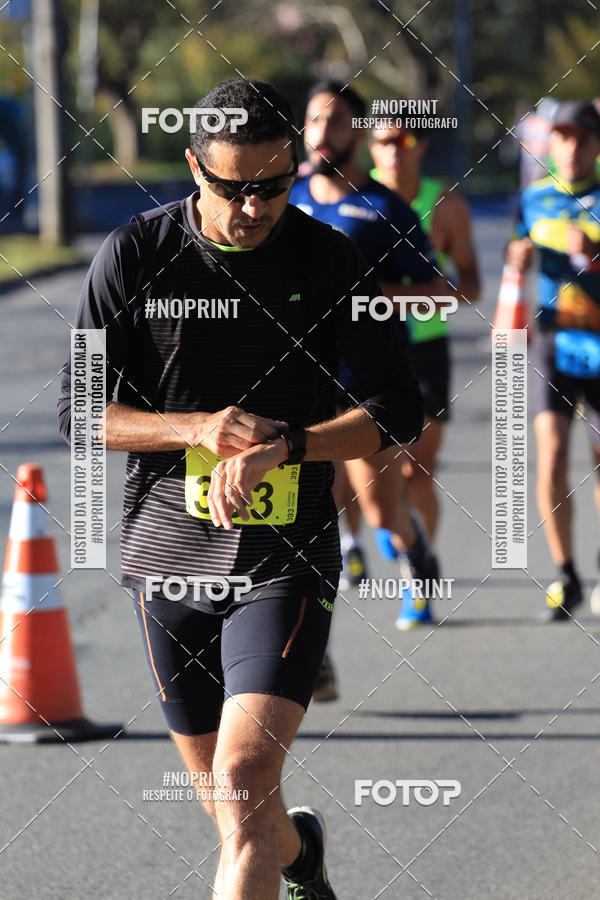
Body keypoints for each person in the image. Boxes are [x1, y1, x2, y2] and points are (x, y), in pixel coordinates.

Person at [58, 78, 423, 900]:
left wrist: (290, 446)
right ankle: (304, 858)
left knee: (245, 775)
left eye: (274, 183)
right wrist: (191, 427)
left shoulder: (331, 258)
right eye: (233, 188)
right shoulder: (137, 255)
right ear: (192, 166)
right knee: (236, 812)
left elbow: (398, 409)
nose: (255, 206)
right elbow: (79, 411)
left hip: (284, 560)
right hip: (169, 559)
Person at [290, 81, 444, 647]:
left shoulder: (386, 208)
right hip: (296, 385)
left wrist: (368, 290)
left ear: (356, 132)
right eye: (312, 120)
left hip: (365, 385)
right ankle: (308, 650)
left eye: (334, 121)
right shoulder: (282, 198)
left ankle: (416, 553)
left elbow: (441, 291)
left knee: (380, 512)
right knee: (305, 519)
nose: (321, 133)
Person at [505, 100, 600, 621]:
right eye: (562, 138)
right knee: (552, 458)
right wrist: (516, 256)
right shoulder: (535, 196)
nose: (570, 148)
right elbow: (517, 252)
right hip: (551, 341)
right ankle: (566, 574)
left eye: (582, 138)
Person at [368, 119, 480, 546]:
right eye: (384, 142)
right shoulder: (354, 197)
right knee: (373, 469)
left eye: (405, 141)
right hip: (369, 347)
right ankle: (381, 521)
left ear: (421, 147)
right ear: (370, 148)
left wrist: (422, 295)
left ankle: (419, 575)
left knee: (418, 471)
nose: (395, 151)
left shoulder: (445, 205)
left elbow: (471, 286)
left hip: (426, 347)